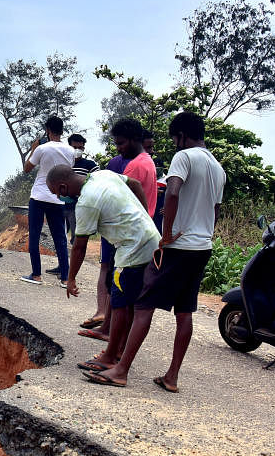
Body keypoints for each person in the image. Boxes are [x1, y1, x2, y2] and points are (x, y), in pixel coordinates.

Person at [84, 111, 226, 392]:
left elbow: (172, 192)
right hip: (202, 247)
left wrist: (168, 233)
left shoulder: (184, 157)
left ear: (182, 135)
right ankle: (171, 376)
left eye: (175, 138)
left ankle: (121, 369)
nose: (175, 144)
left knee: (143, 305)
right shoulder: (218, 168)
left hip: (178, 245)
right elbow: (216, 209)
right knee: (185, 313)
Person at [48, 165, 159, 374]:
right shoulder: (103, 175)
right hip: (151, 241)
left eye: (57, 193)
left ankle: (109, 357)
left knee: (119, 304)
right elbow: (135, 184)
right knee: (131, 304)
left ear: (63, 188)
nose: (60, 197)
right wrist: (145, 216)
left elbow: (79, 246)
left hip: (132, 250)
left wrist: (70, 279)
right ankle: (118, 353)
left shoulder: (86, 204)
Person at [78, 152, 129, 340]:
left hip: (124, 232)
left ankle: (113, 332)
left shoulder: (144, 163)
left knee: (118, 278)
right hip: (113, 229)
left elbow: (80, 245)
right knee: (107, 270)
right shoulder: (116, 162)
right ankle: (104, 315)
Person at [21, 116, 77, 286]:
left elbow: (27, 169)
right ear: (62, 130)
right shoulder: (70, 151)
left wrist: (33, 149)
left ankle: (36, 275)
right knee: (60, 238)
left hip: (38, 197)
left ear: (48, 130)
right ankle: (65, 278)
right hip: (58, 198)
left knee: (35, 235)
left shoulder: (42, 149)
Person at [66, 134, 97, 241]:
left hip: (79, 207)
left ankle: (74, 257)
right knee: (58, 235)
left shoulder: (89, 165)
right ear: (69, 147)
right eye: (75, 148)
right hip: (61, 205)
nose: (77, 150)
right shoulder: (63, 163)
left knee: (77, 238)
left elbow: (98, 181)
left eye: (80, 148)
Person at [143, 131, 166, 232]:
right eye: (148, 148)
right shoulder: (132, 167)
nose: (152, 151)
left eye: (152, 147)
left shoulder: (165, 179)